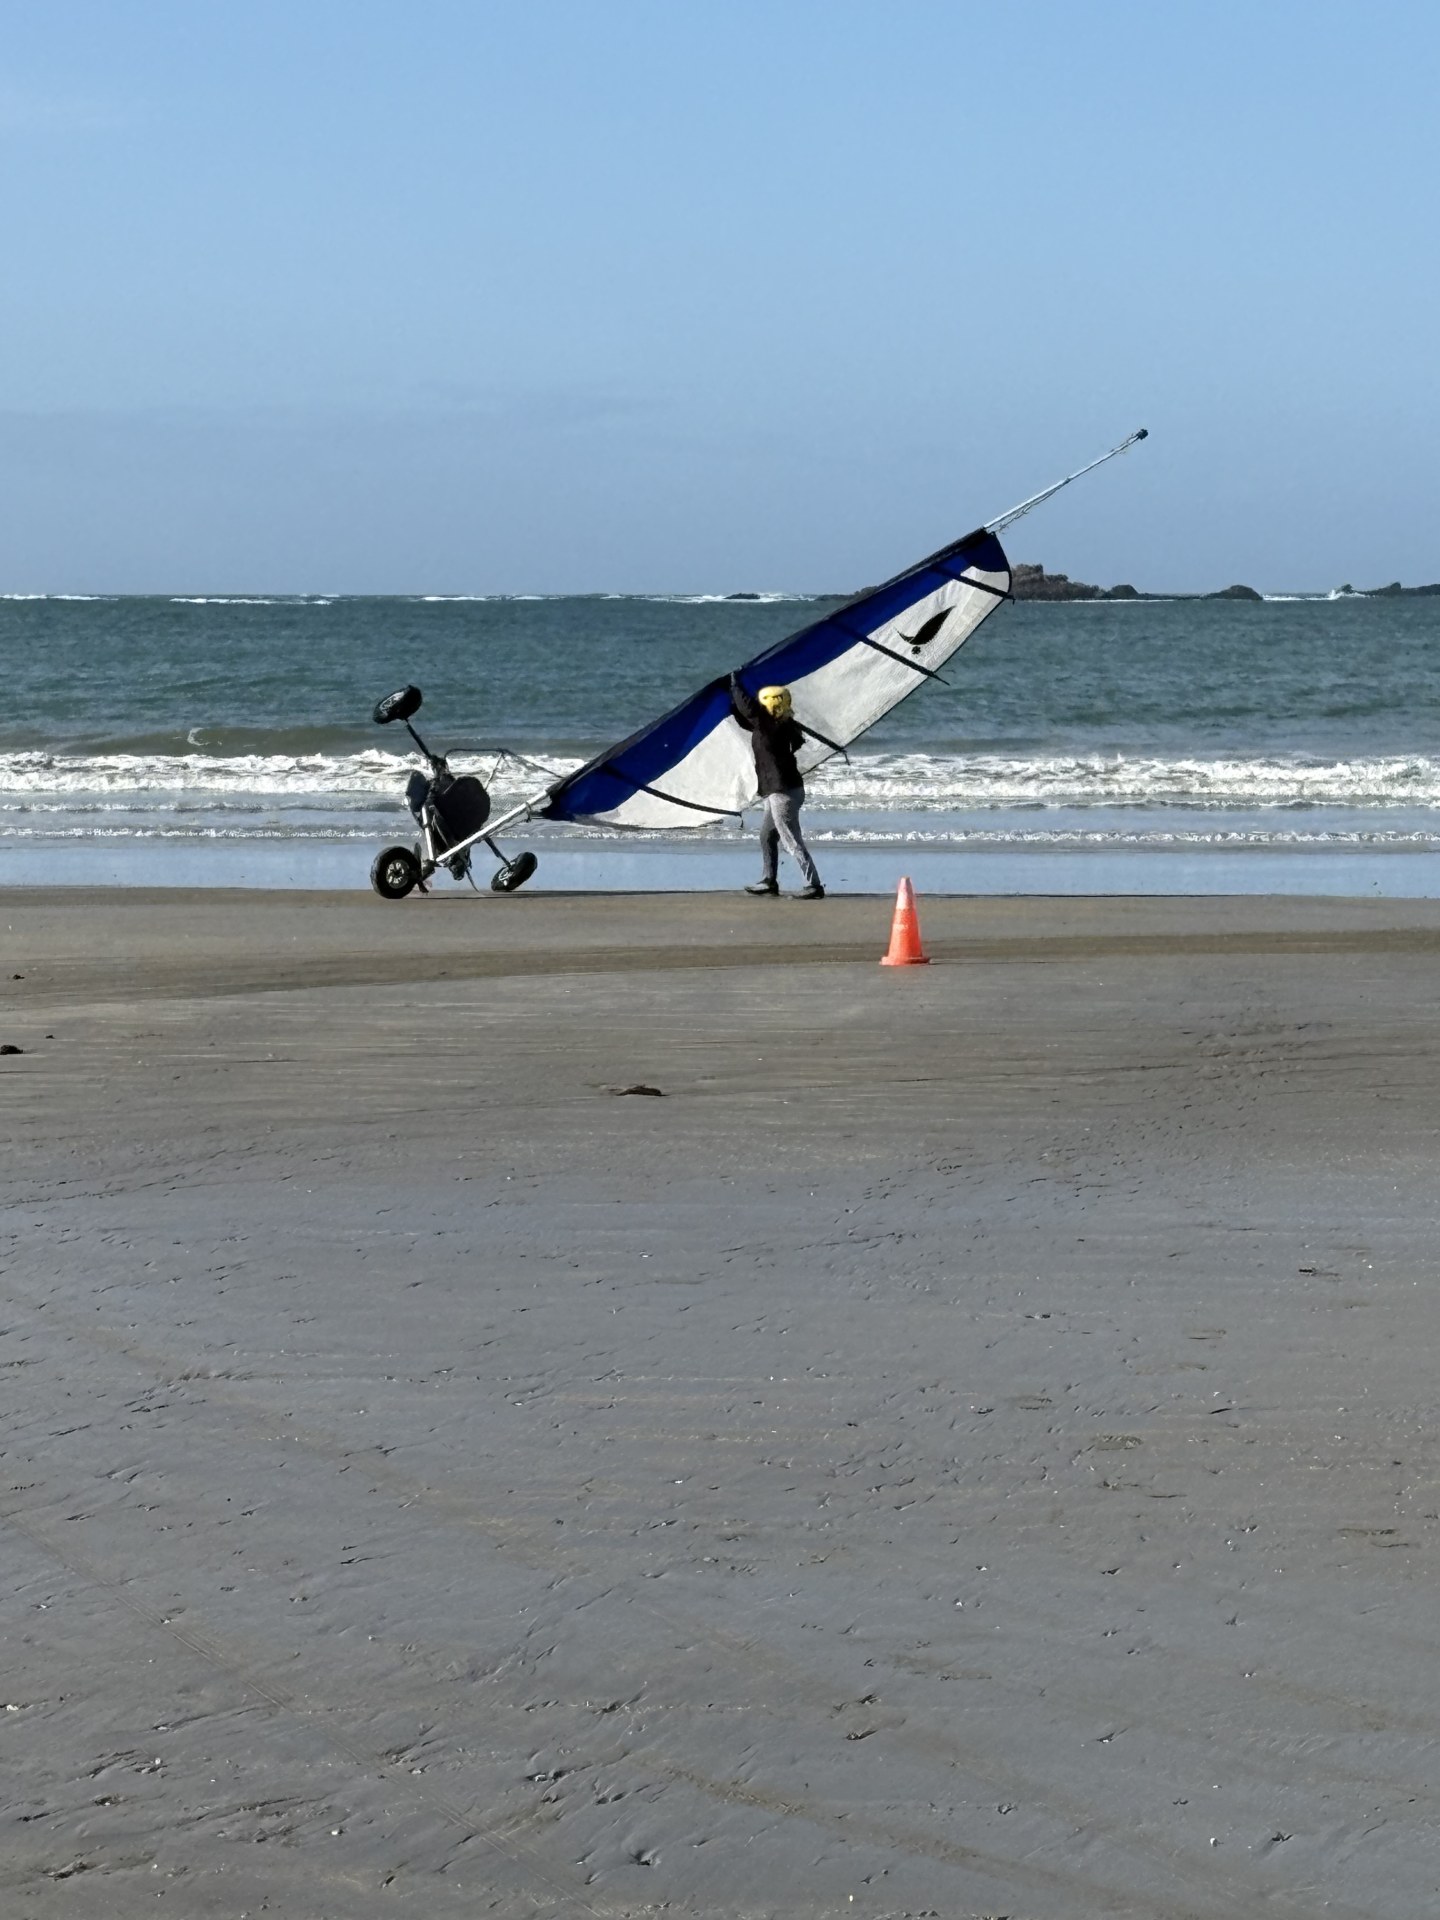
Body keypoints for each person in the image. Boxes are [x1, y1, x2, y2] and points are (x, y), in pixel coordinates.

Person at [728, 673, 824, 899]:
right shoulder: (778, 723)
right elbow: (746, 717)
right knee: (767, 836)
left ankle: (814, 885)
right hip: (782, 789)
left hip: (783, 792)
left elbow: (749, 710)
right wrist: (731, 701)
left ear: (769, 704)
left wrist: (734, 684)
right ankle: (769, 881)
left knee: (791, 840)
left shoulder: (769, 724)